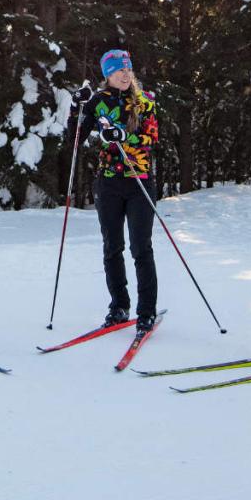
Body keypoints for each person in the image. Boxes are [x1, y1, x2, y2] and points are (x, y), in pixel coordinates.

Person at [70, 48, 160, 333]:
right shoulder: (98, 102)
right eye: (117, 70)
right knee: (112, 247)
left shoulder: (144, 102)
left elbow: (151, 138)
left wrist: (124, 135)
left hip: (139, 180)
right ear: (107, 74)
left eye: (127, 69)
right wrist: (77, 108)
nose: (124, 74)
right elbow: (74, 138)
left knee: (140, 247)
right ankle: (119, 306)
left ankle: (146, 311)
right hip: (108, 182)